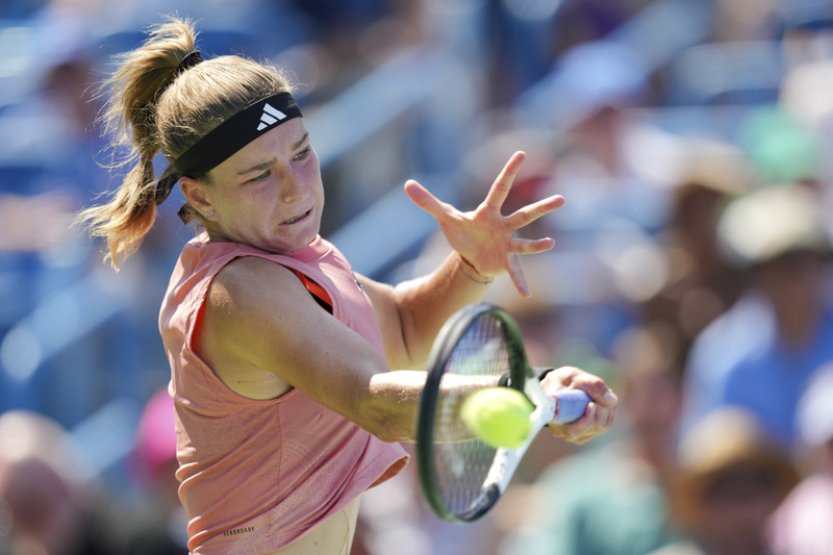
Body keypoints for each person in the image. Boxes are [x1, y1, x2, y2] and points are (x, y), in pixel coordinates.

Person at [76, 17, 618, 555]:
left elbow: (403, 331)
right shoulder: (237, 291)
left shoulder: (303, 260)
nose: (295, 189)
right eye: (259, 175)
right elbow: (375, 402)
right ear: (200, 198)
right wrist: (530, 393)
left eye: (302, 153)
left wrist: (471, 268)